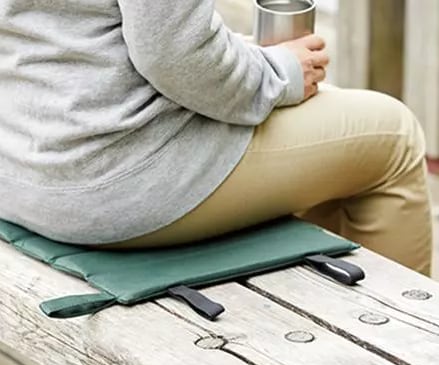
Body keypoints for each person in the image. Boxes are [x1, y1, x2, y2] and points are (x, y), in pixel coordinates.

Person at [0, 0, 432, 276]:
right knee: (392, 135)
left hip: (18, 167)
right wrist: (277, 73)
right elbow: (174, 53)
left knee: (331, 137)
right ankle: (402, 359)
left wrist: (247, 56)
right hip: (113, 182)